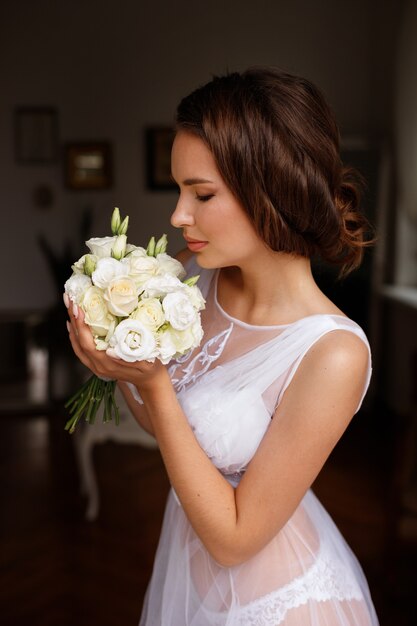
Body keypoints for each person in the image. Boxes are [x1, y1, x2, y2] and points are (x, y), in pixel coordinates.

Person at [65, 67, 380, 625]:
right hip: (186, 574)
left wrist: (152, 385)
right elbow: (170, 433)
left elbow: (235, 541)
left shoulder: (332, 353)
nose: (178, 216)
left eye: (202, 193)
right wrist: (118, 367)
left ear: (273, 188)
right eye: (180, 189)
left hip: (278, 603)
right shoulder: (194, 279)